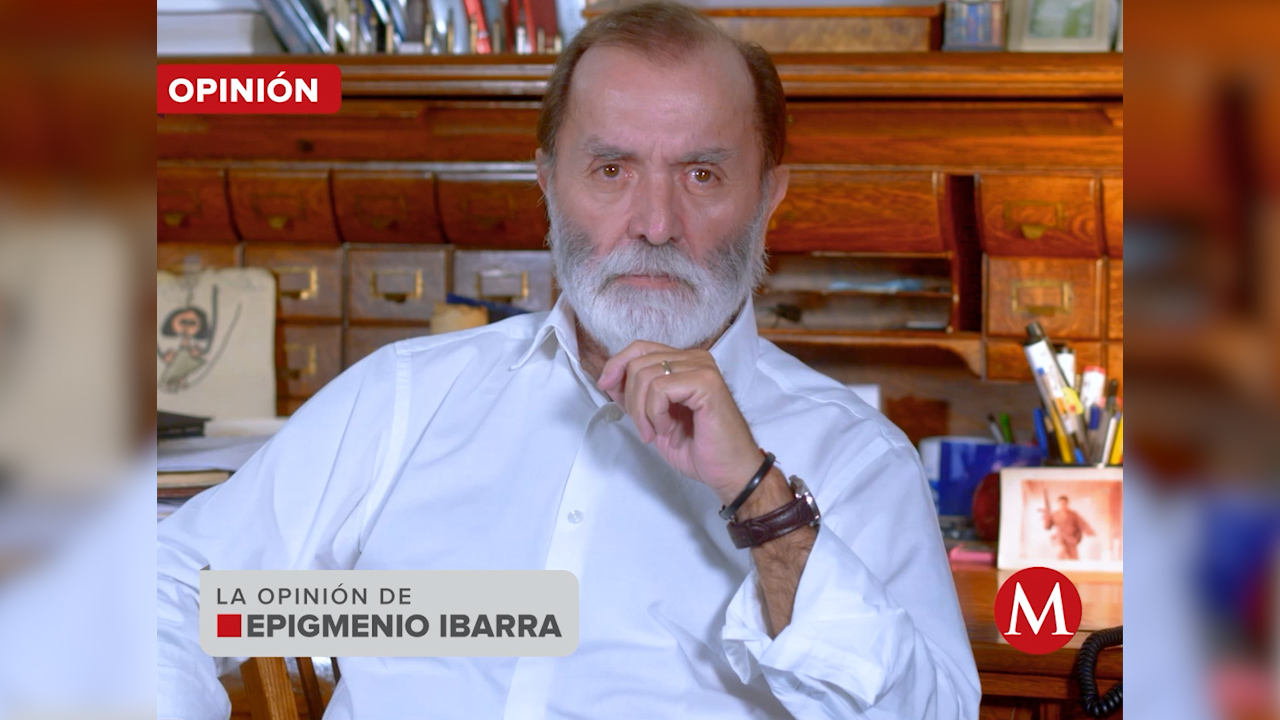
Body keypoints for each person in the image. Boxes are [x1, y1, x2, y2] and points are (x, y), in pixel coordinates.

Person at [157, 3, 980, 717]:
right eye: (611, 169)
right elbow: (177, 587)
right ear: (548, 182)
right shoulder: (407, 399)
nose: (655, 223)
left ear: (769, 196)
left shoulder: (858, 461)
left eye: (701, 174)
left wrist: (759, 499)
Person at [1041, 494, 1095, 560]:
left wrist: (1089, 531)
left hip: (1071, 540)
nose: (1062, 505)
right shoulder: (1054, 515)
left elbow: (1082, 523)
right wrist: (1046, 516)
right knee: (1061, 557)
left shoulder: (1073, 515)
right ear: (1058, 504)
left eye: (1064, 503)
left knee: (1073, 559)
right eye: (1061, 503)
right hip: (1060, 539)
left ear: (1067, 504)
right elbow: (1047, 527)